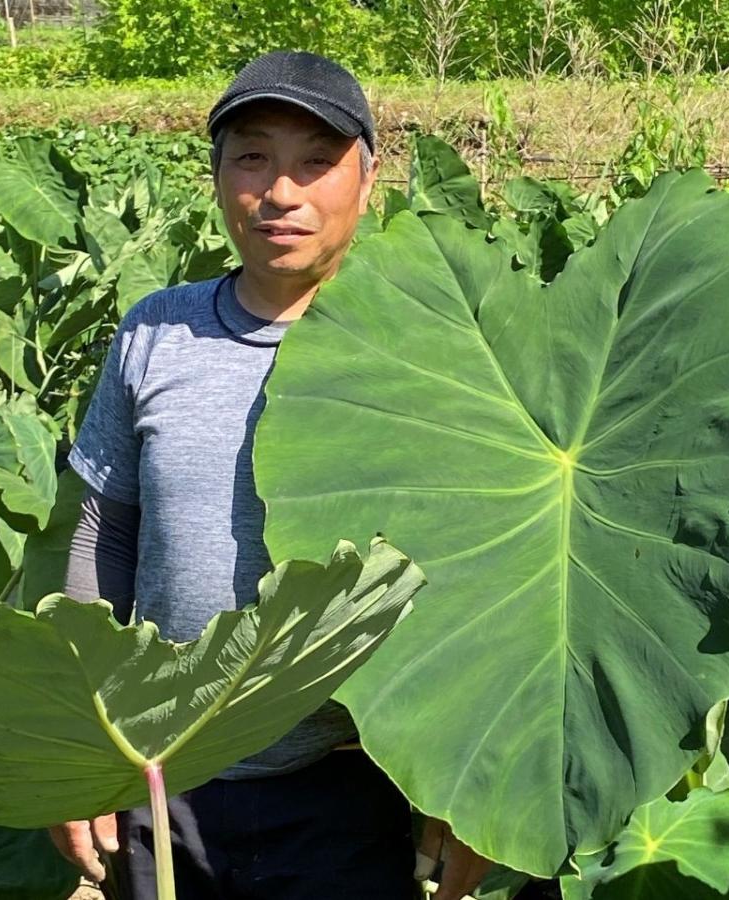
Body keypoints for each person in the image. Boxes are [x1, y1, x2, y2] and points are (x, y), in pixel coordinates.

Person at [48, 50, 490, 900]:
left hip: (347, 772)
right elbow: (107, 533)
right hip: (161, 769)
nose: (281, 192)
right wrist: (82, 750)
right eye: (252, 156)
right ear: (216, 176)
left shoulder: (422, 346)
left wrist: (461, 780)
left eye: (316, 162)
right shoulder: (157, 332)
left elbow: (473, 575)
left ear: (367, 182)